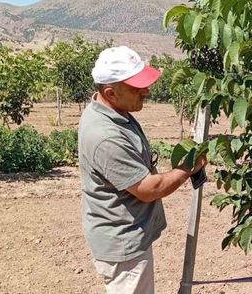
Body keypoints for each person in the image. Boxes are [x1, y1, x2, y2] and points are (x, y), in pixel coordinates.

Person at [78, 46, 206, 294]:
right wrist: (186, 169)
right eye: (137, 87)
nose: (146, 91)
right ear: (110, 92)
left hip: (126, 235)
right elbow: (149, 189)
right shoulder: (105, 136)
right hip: (123, 244)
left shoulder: (113, 112)